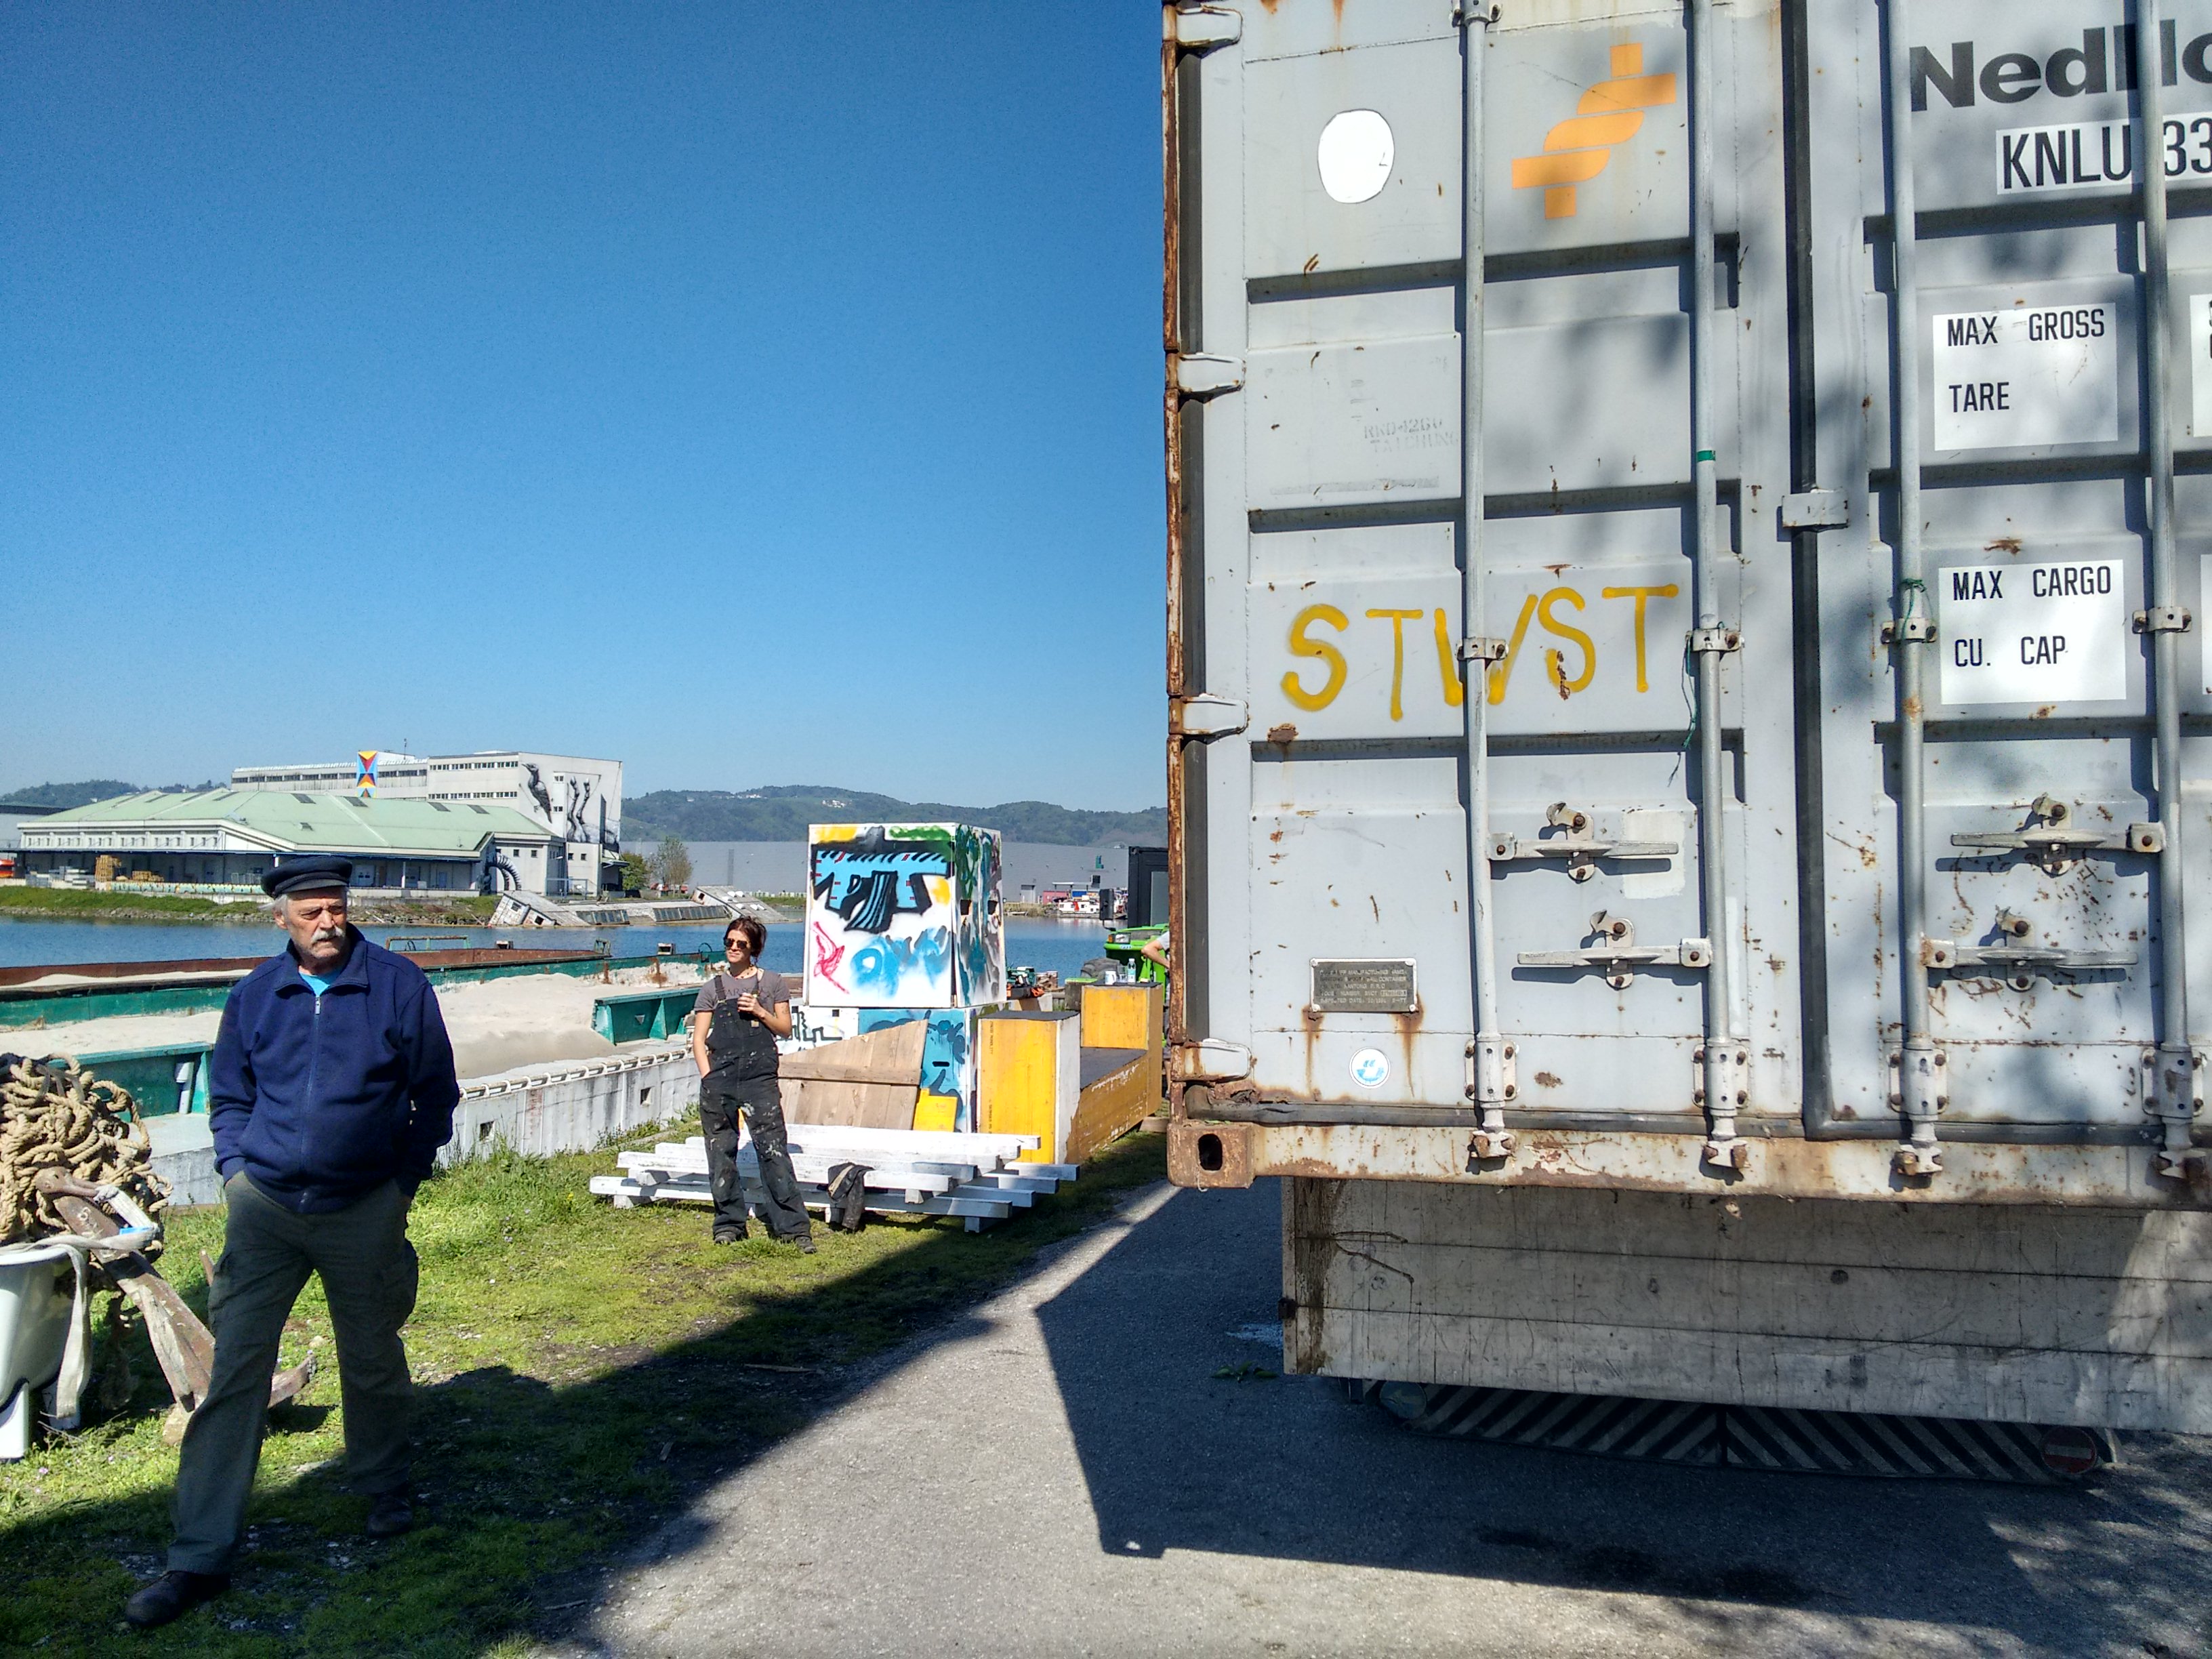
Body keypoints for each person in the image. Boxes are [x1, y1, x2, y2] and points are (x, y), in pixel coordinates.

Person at [125, 855, 460, 1630]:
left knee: (371, 1355)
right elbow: (230, 1096)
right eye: (309, 910)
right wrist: (238, 1172)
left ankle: (382, 1488)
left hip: (363, 1206)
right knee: (235, 1374)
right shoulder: (254, 997)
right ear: (280, 917)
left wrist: (400, 1183)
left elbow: (435, 1092)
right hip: (265, 1209)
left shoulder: (397, 986)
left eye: (335, 906)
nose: (326, 921)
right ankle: (198, 1556)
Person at [690, 916, 813, 1252]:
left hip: (760, 1079)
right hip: (720, 1080)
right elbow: (699, 1040)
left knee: (773, 1151)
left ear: (754, 949)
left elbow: (785, 1029)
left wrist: (760, 1010)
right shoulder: (712, 989)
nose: (733, 948)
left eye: (740, 944)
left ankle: (793, 1229)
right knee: (721, 1153)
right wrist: (708, 1077)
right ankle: (729, 1224)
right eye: (729, 942)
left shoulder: (772, 983)